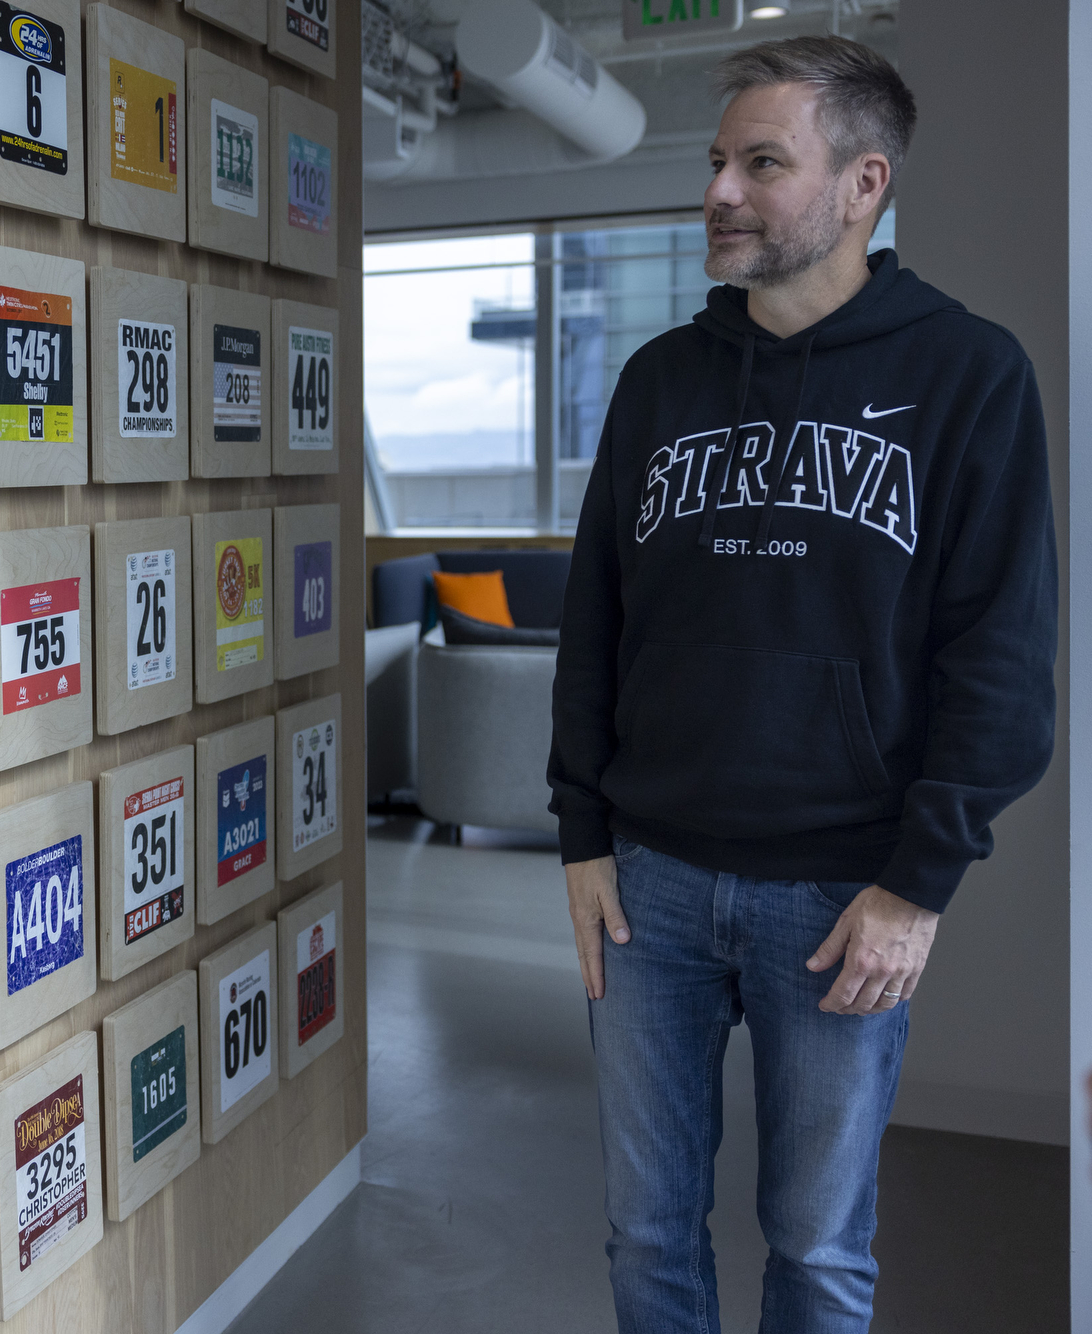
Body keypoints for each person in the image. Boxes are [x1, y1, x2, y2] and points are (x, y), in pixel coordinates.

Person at [547, 35, 1056, 1334]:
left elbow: (1000, 657)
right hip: (646, 888)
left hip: (843, 896)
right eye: (718, 161)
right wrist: (582, 831)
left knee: (820, 1246)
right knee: (647, 1230)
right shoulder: (662, 381)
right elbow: (594, 617)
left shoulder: (968, 373)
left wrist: (918, 882)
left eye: (760, 163)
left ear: (862, 183)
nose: (717, 190)